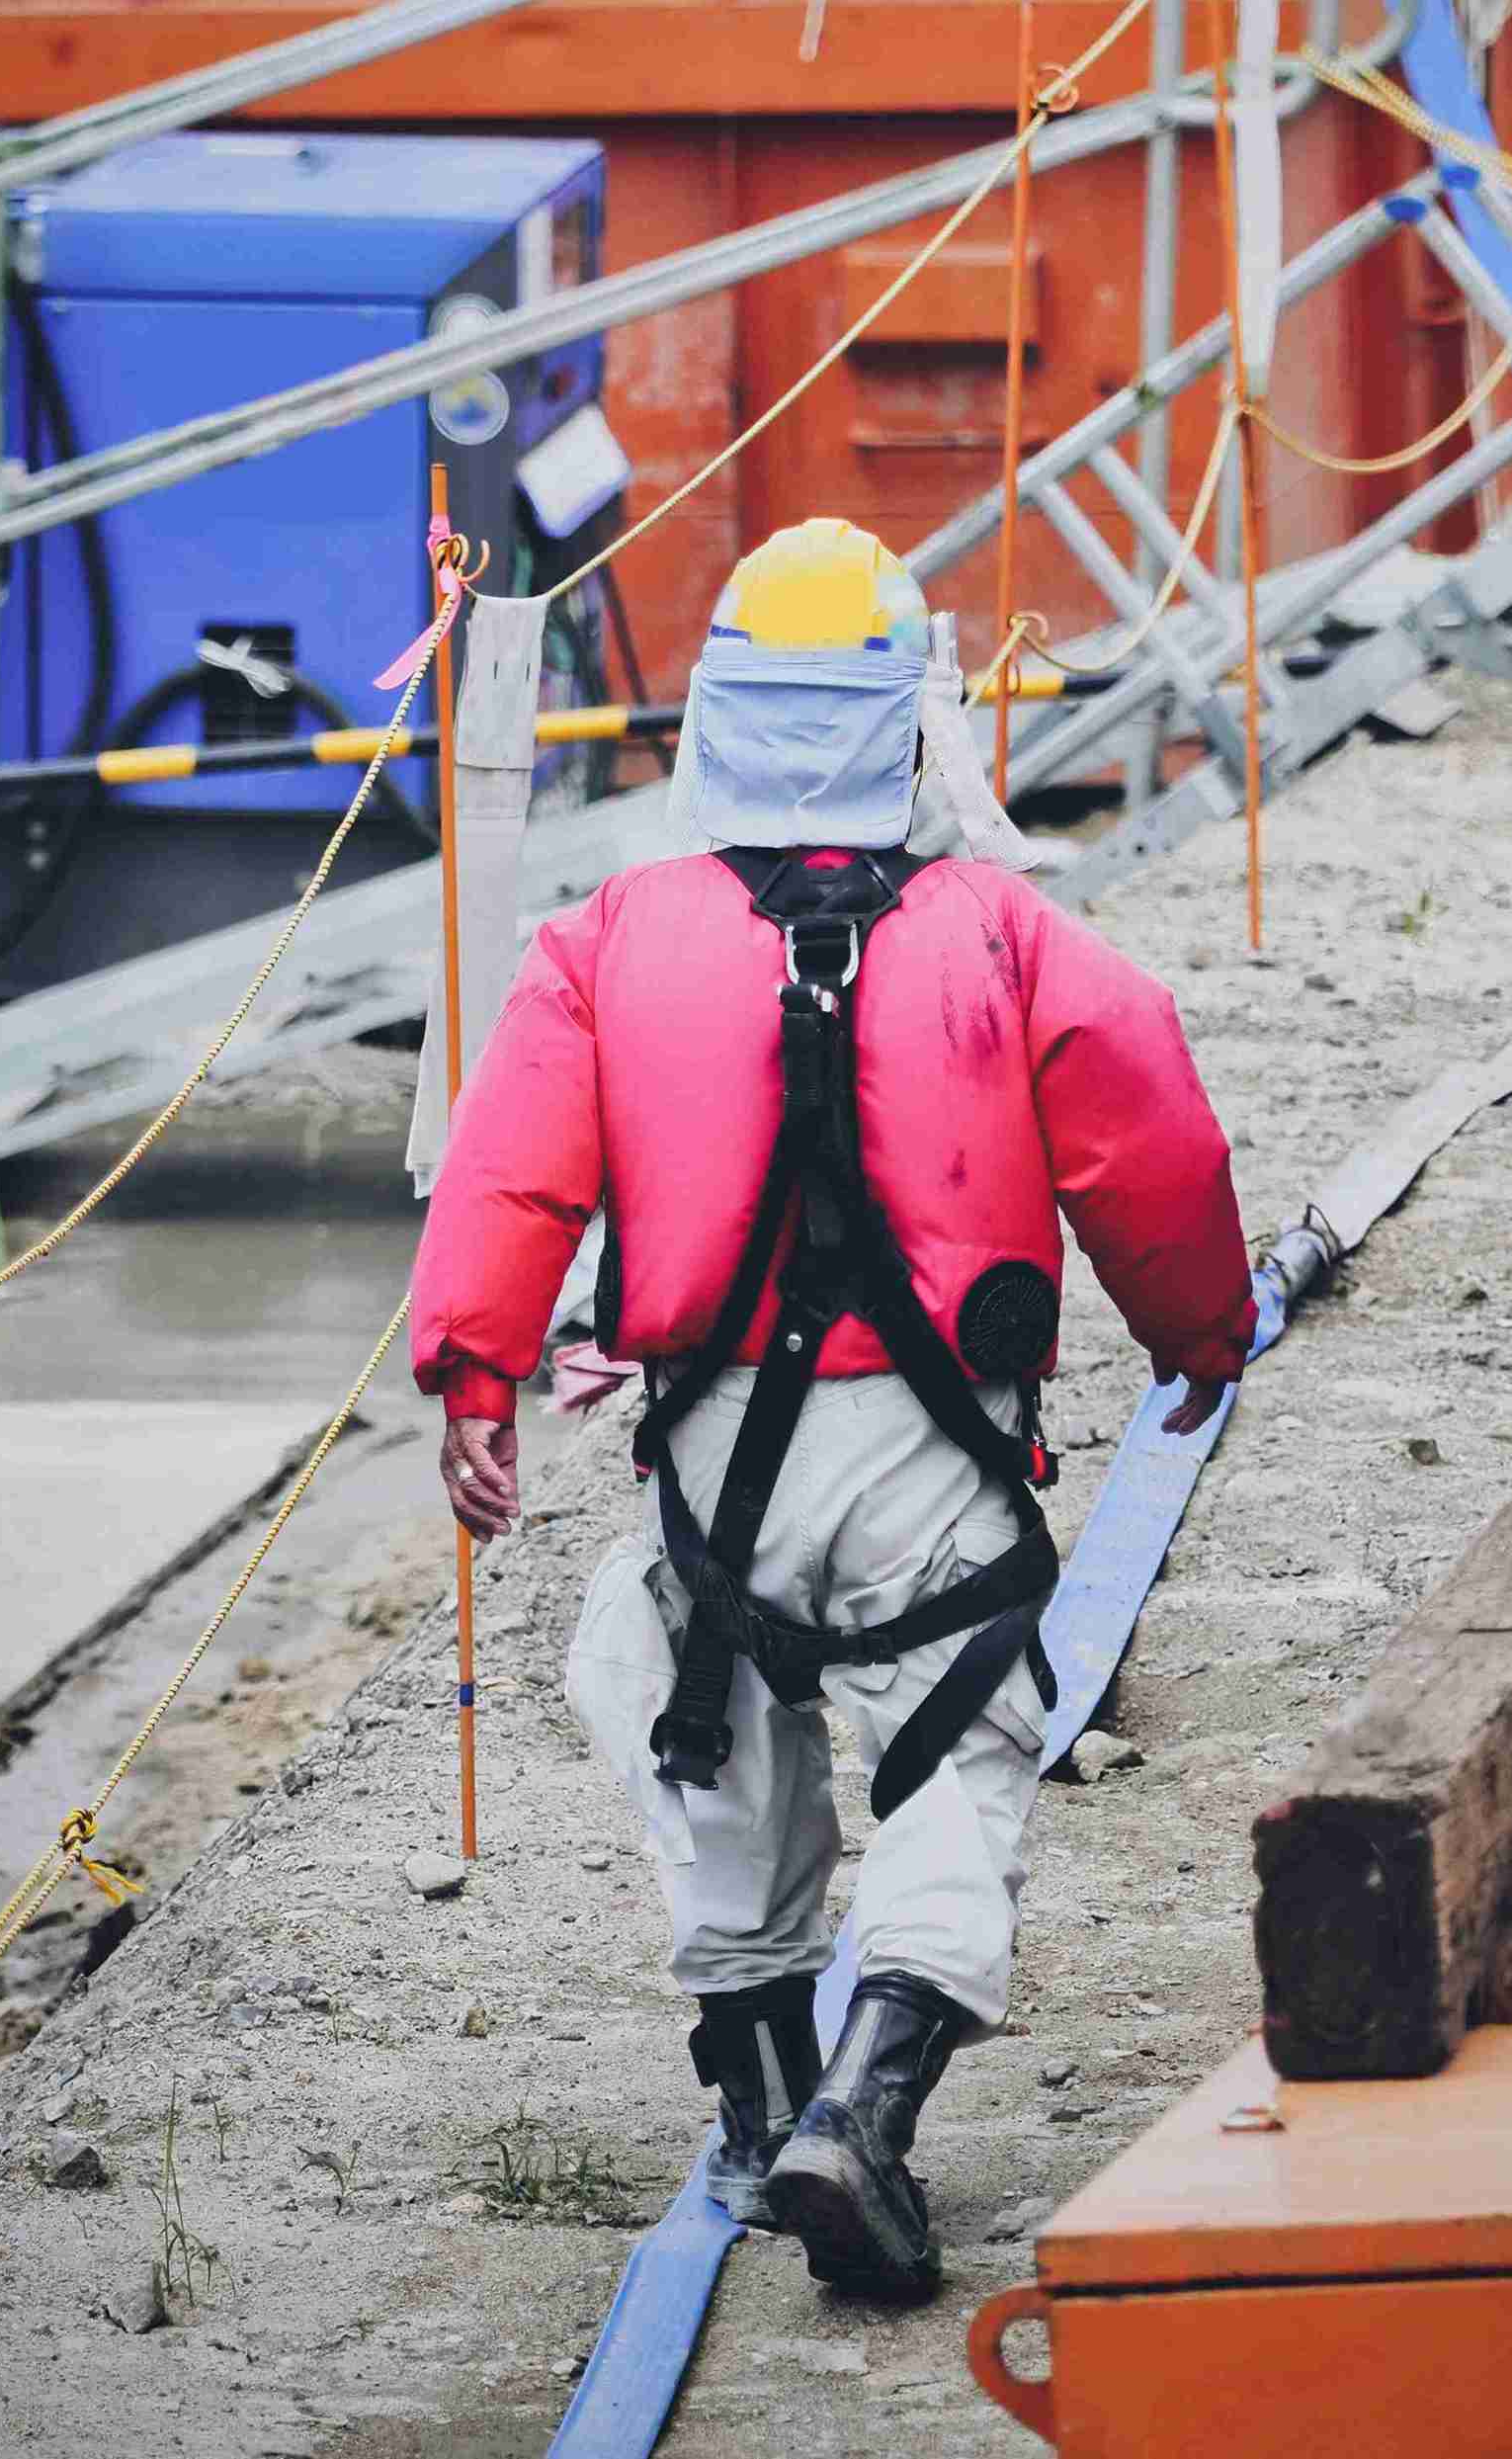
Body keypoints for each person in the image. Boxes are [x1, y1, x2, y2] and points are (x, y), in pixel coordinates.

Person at [409, 516, 1252, 2302]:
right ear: (910, 718)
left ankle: (760, 2108)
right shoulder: (1007, 937)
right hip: (933, 1466)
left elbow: (506, 1171)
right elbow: (1152, 1139)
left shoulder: (609, 941)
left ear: (715, 716)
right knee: (957, 1753)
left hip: (717, 1466)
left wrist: (473, 1374)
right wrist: (1201, 1335)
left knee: (698, 1722)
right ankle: (864, 2110)